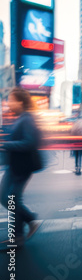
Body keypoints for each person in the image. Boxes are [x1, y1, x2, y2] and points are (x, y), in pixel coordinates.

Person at [0, 88, 43, 247]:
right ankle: (28, 224)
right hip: (15, 166)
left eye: (11, 100)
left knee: (10, 199)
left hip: (22, 167)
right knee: (8, 198)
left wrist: (6, 145)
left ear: (20, 102)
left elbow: (30, 142)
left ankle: (19, 234)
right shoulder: (20, 118)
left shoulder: (27, 119)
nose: (8, 103)